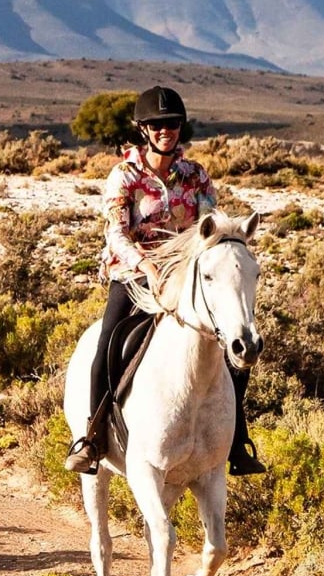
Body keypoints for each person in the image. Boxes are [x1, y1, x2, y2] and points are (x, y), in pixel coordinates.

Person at [64, 85, 263, 476]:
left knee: (234, 342)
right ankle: (92, 437)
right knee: (110, 339)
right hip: (134, 274)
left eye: (171, 124)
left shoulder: (196, 175)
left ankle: (236, 440)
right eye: (156, 125)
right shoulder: (124, 176)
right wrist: (148, 266)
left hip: (185, 279)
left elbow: (210, 230)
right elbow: (116, 233)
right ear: (143, 129)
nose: (164, 131)